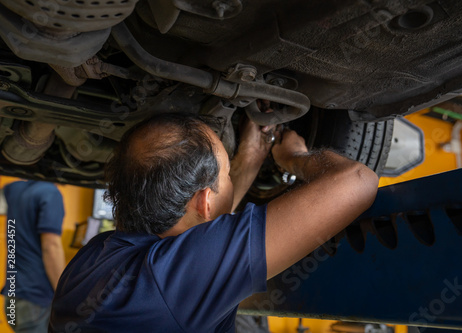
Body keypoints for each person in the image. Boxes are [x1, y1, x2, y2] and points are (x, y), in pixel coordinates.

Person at [49, 112, 378, 332]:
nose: (230, 179)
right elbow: (358, 181)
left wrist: (250, 157)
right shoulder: (171, 283)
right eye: (226, 175)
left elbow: (196, 233)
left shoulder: (97, 256)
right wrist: (295, 157)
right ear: (205, 202)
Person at [2, 180, 65, 333]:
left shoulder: (13, 188)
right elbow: (50, 246)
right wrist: (64, 294)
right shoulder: (50, 193)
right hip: (36, 299)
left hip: (12, 297)